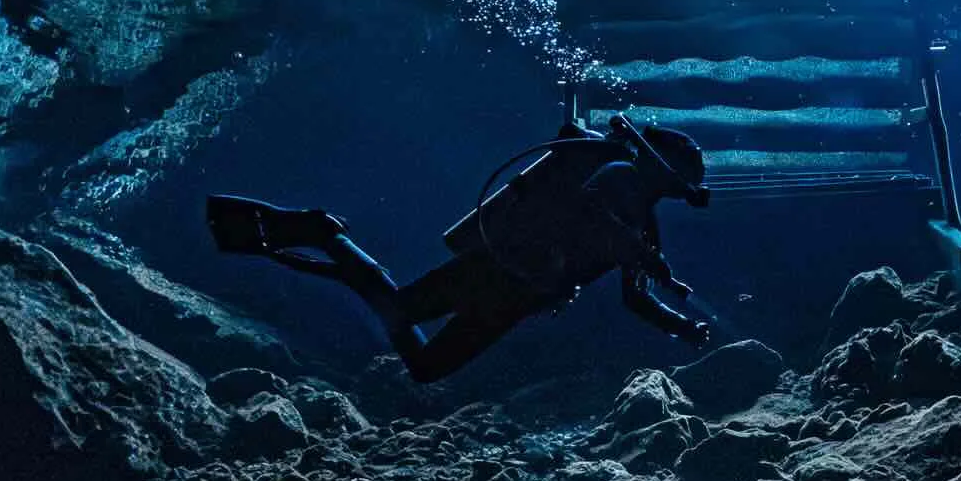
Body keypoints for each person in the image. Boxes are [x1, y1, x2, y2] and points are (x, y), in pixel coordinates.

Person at [206, 115, 712, 383]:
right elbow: (589, 209)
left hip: (517, 300)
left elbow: (635, 297)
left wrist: (680, 325)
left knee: (425, 367)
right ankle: (324, 234)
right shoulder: (618, 175)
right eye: (683, 176)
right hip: (495, 268)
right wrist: (635, 250)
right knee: (399, 310)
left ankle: (334, 249)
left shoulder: (646, 224)